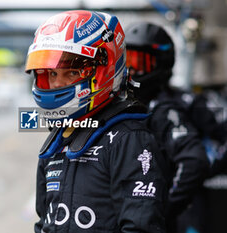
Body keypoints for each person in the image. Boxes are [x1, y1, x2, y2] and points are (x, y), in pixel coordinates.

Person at [25, 10, 170, 233]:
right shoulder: (57, 140)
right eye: (51, 74)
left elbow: (141, 226)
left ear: (105, 69)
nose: (56, 84)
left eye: (71, 72)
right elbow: (44, 222)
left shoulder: (129, 139)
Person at [124, 22, 210, 232]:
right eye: (127, 61)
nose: (132, 70)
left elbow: (194, 161)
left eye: (140, 62)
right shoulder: (128, 104)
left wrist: (160, 210)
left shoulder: (161, 108)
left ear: (161, 63)